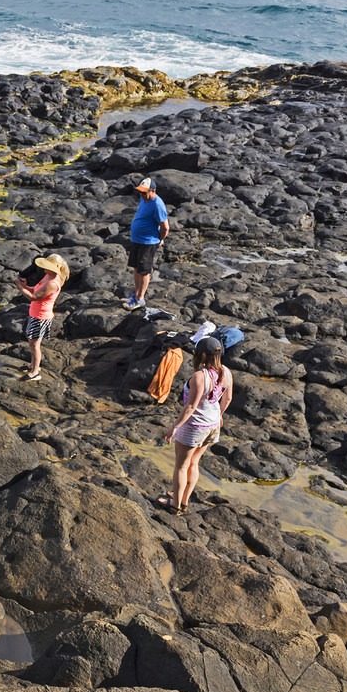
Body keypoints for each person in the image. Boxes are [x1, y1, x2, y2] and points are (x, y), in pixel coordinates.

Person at [162, 334, 233, 515]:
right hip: (213, 424)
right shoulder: (226, 372)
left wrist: (175, 427)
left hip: (194, 427)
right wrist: (220, 415)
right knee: (194, 463)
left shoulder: (199, 377)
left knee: (181, 466)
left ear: (200, 355)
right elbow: (227, 398)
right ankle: (184, 500)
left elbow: (191, 406)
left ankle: (174, 505)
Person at [14, 253, 68, 382]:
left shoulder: (53, 283)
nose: (44, 268)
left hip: (41, 317)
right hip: (35, 314)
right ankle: (32, 365)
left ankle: (35, 372)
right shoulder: (48, 276)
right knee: (32, 341)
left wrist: (19, 286)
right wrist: (26, 286)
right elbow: (35, 290)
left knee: (34, 344)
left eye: (47, 266)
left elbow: (34, 297)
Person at [125, 176, 170, 310]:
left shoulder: (158, 204)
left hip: (148, 242)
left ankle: (140, 299)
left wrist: (160, 239)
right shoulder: (144, 200)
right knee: (136, 268)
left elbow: (165, 227)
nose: (142, 195)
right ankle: (136, 294)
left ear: (153, 191)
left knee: (144, 271)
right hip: (137, 240)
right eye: (140, 192)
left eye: (145, 192)